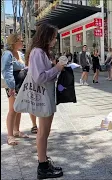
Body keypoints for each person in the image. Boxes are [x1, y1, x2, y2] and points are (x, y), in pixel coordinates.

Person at [25, 23, 65, 179]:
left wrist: (56, 67)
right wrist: (56, 69)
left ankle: (44, 161)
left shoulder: (42, 52)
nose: (55, 40)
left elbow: (45, 74)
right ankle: (42, 166)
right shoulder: (37, 52)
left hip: (47, 95)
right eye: (54, 37)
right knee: (42, 132)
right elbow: (39, 77)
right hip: (43, 97)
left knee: (45, 131)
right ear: (45, 36)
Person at [1, 34, 38, 145]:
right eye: (20, 41)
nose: (22, 42)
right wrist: (11, 87)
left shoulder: (20, 54)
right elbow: (6, 71)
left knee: (18, 109)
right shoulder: (7, 54)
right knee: (13, 109)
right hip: (13, 85)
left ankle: (16, 131)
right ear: (14, 42)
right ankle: (10, 135)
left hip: (21, 84)